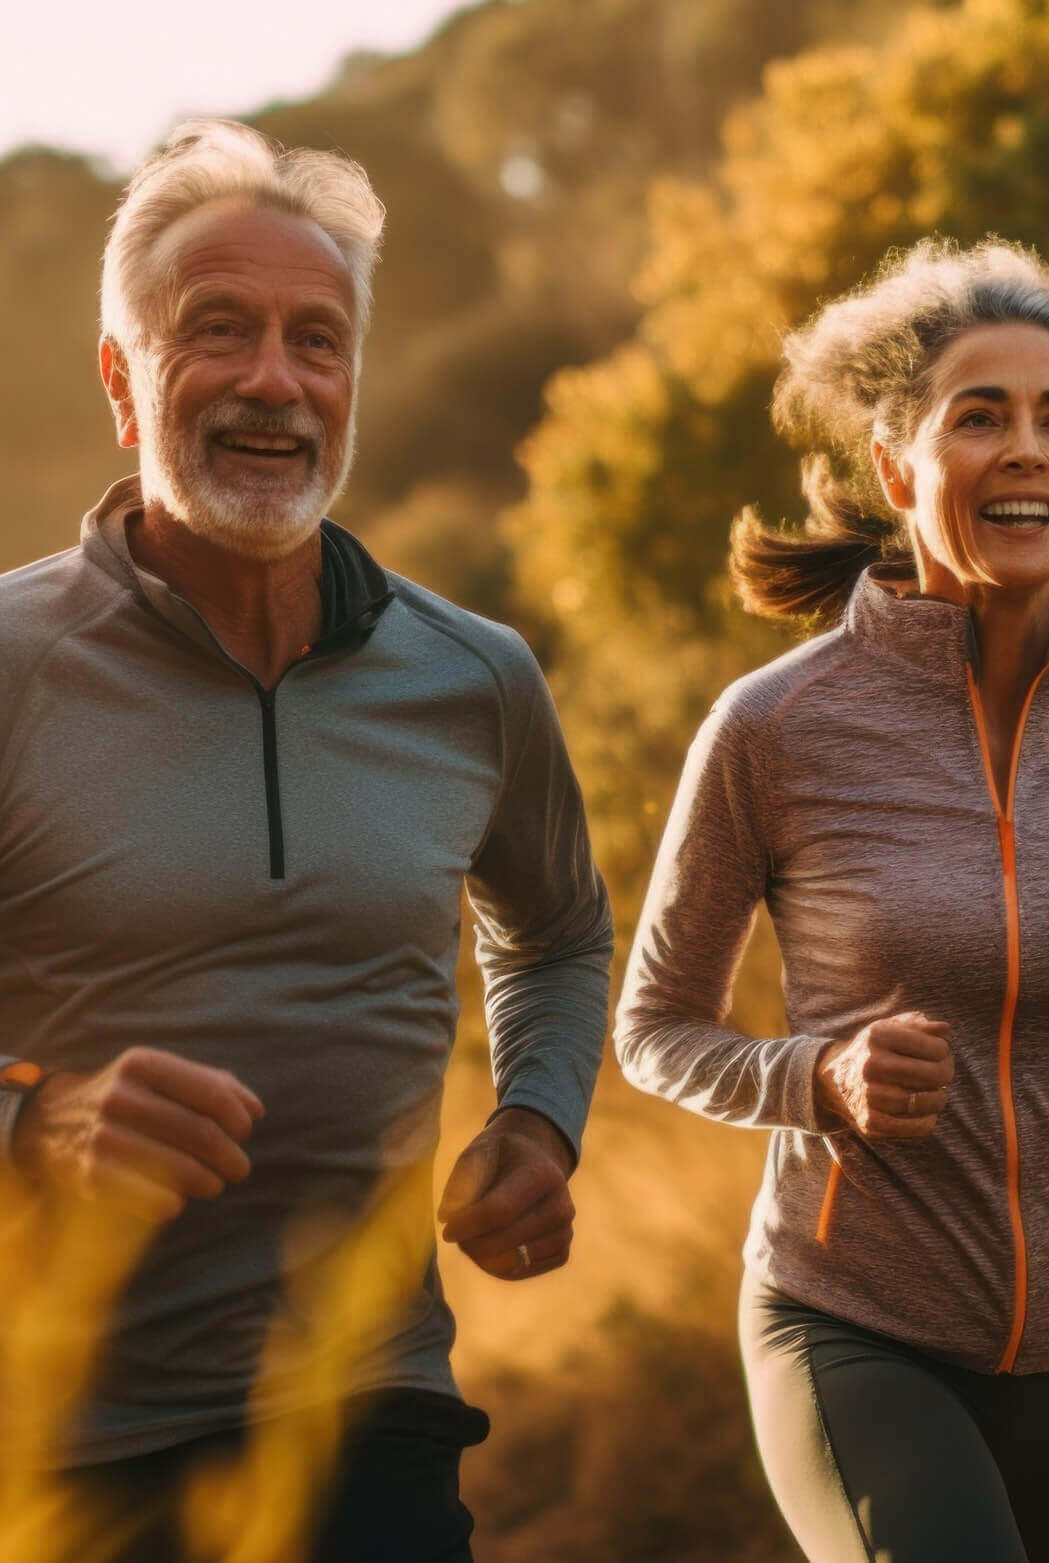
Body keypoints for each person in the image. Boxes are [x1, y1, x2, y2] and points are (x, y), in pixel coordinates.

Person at [0, 119, 612, 1562]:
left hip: (370, 1409)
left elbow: (560, 931)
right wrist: (32, 1122)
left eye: (317, 341)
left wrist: (536, 1116)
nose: (275, 381)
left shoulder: (473, 677)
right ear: (121, 379)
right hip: (54, 1444)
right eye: (218, 330)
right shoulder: (12, 665)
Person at [614, 237, 1049, 1563]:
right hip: (858, 1320)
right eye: (980, 417)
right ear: (896, 468)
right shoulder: (777, 727)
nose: (1028, 449)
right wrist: (818, 1076)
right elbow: (654, 1029)